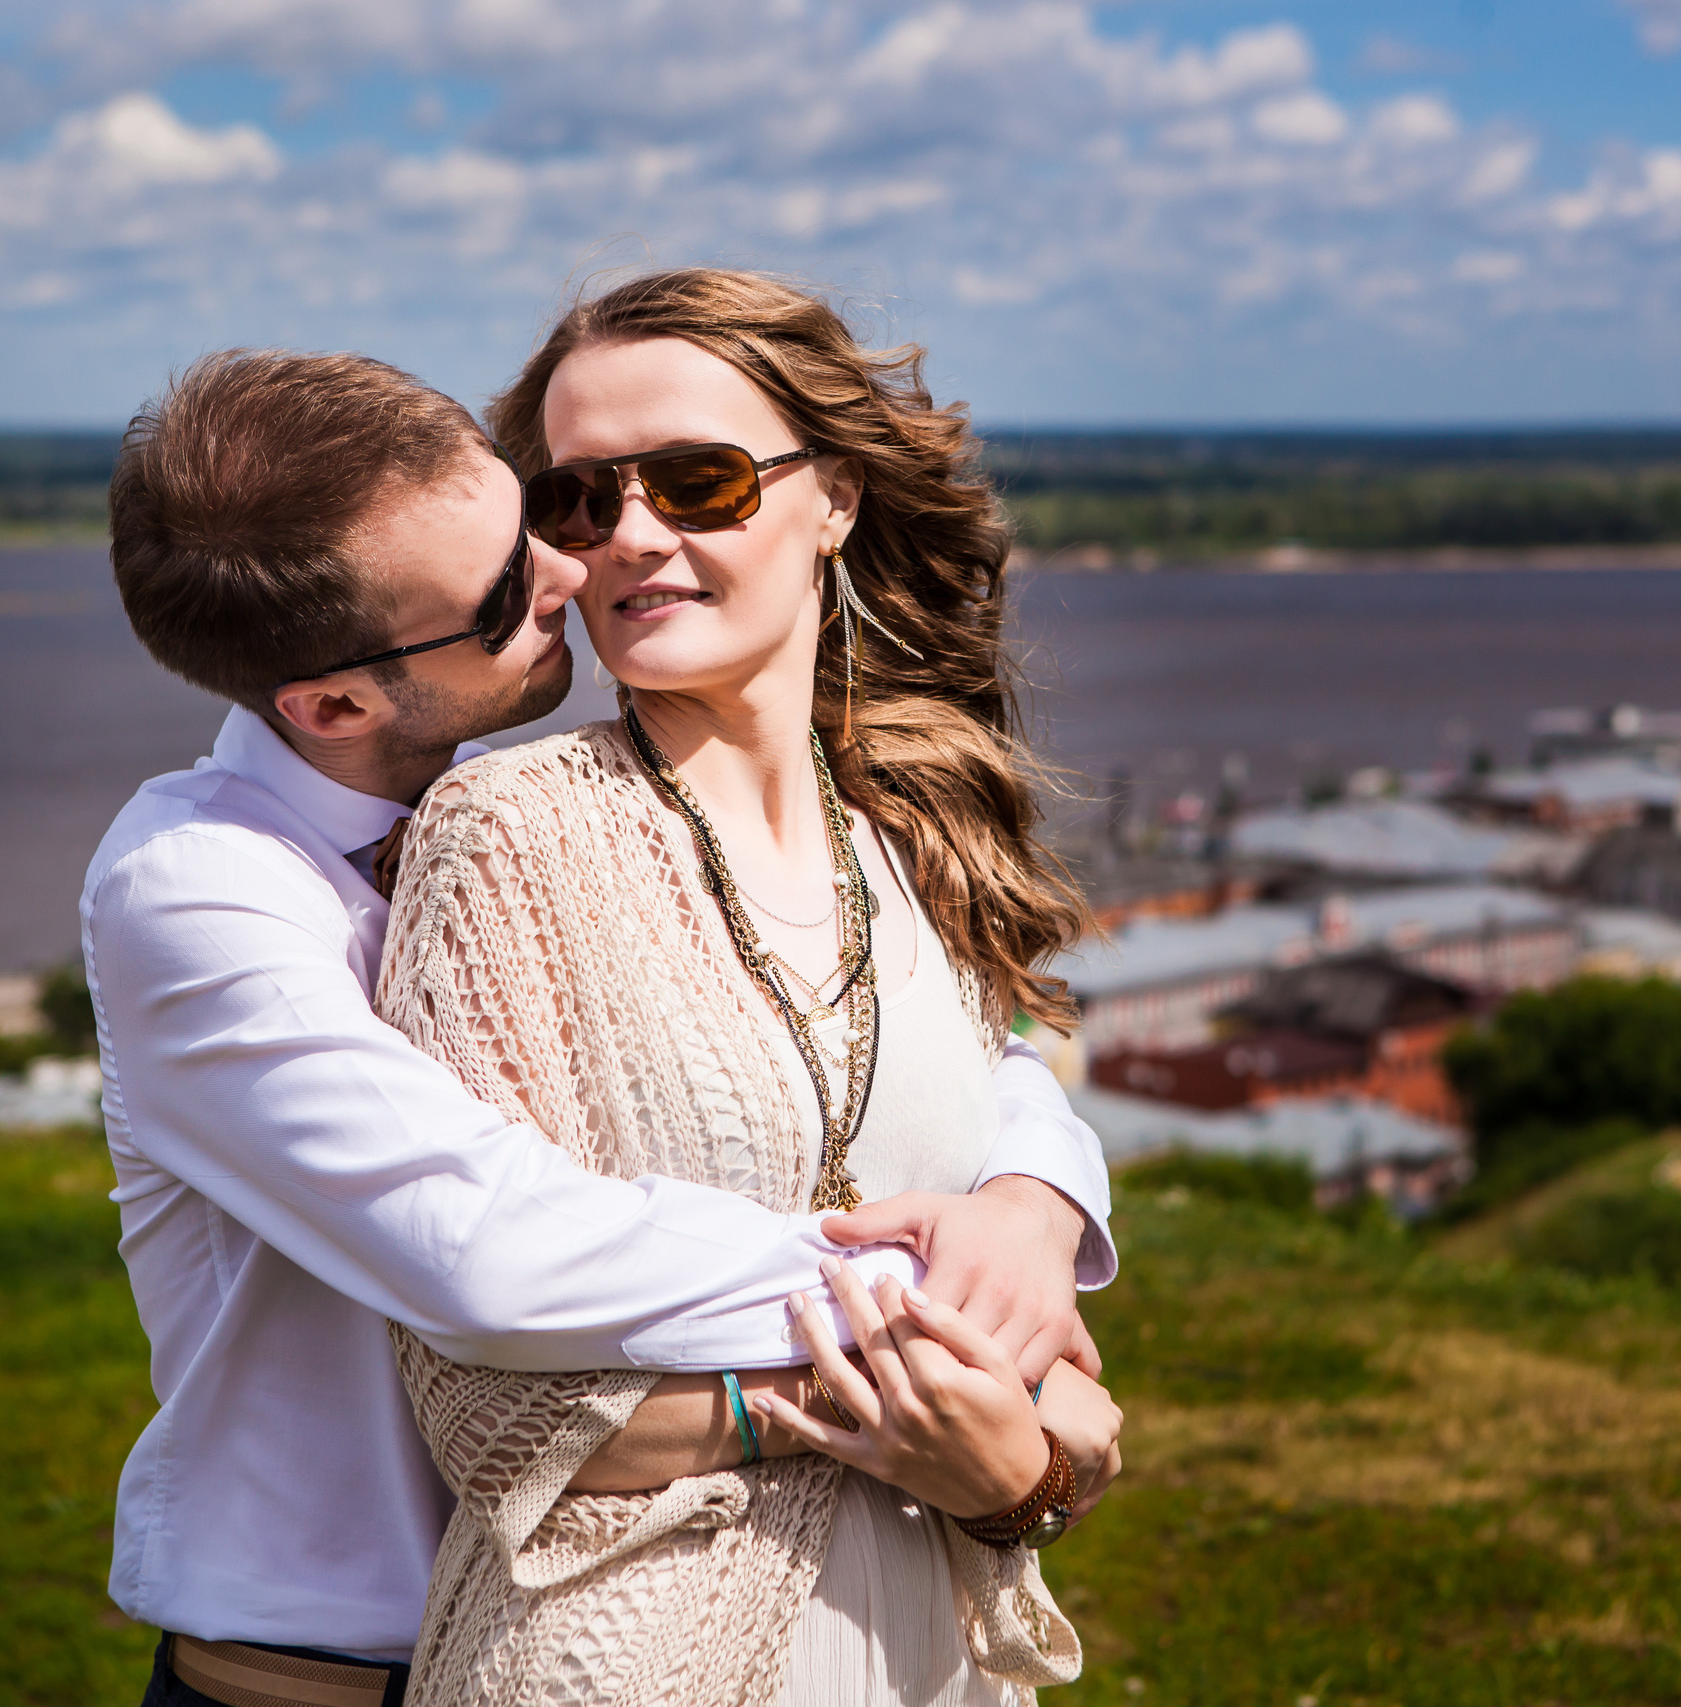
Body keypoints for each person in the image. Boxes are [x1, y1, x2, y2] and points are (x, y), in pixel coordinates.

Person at [87, 348, 1117, 1707]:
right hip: (334, 1677)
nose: (581, 569)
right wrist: (939, 1324)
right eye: (516, 584)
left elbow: (918, 1040)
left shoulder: (586, 829)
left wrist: (1032, 1205)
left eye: (535, 515)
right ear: (333, 707)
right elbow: (493, 1245)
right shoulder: (203, 895)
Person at [371, 268, 1119, 1706]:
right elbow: (474, 1405)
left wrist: (1015, 1465)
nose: (630, 535)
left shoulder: (920, 837)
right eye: (578, 500)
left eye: (697, 481)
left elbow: (1074, 1408)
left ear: (831, 498)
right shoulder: (509, 834)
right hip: (611, 1671)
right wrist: (920, 1412)